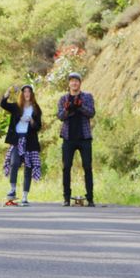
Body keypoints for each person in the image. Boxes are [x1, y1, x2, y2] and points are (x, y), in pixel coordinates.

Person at [57, 72, 96, 207]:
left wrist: (80, 106)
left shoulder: (87, 97)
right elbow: (60, 116)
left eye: (76, 81)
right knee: (66, 167)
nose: (74, 83)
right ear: (69, 83)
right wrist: (68, 108)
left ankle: (90, 198)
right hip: (68, 138)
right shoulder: (63, 99)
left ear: (80, 83)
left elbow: (91, 113)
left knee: (87, 167)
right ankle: (66, 198)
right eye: (72, 81)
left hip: (84, 137)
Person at [0, 84, 42, 205]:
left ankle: (25, 196)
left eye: (29, 92)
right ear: (22, 94)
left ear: (32, 94)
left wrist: (32, 120)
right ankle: (12, 189)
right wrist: (7, 92)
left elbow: (39, 126)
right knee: (14, 162)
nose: (27, 94)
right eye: (25, 92)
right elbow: (3, 104)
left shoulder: (36, 108)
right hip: (17, 139)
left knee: (28, 168)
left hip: (30, 140)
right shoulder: (17, 107)